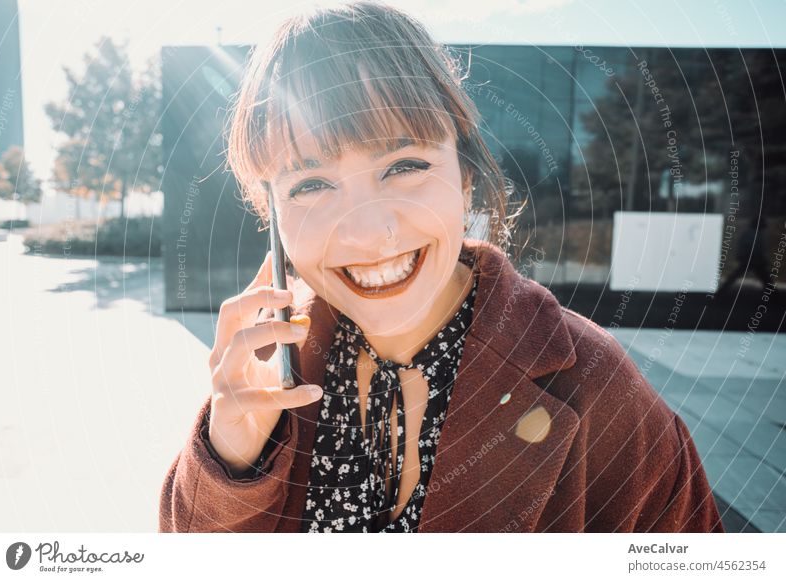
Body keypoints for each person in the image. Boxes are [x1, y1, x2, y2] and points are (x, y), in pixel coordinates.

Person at [159, 1, 724, 533]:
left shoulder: (596, 387)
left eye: (404, 165)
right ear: (274, 215)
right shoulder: (270, 376)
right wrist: (228, 456)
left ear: (466, 177)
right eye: (309, 184)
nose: (365, 230)